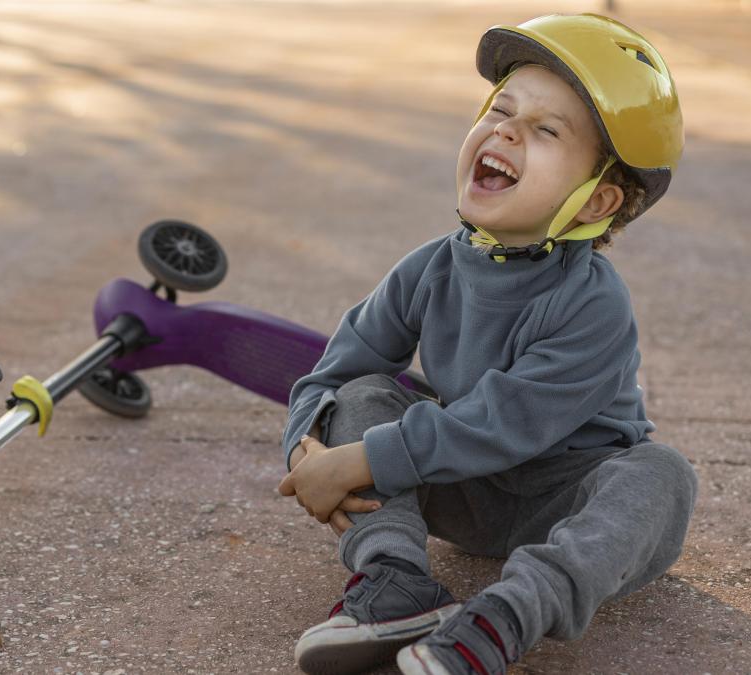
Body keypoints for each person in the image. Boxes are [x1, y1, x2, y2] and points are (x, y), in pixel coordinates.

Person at [276, 13, 699, 675]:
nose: (505, 129)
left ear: (596, 201)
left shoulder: (594, 304)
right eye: (501, 109)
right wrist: (310, 443)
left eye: (545, 129)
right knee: (363, 395)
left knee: (660, 475)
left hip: (570, 498)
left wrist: (364, 461)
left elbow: (502, 422)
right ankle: (395, 581)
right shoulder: (430, 268)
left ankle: (503, 619)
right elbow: (337, 369)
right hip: (462, 490)